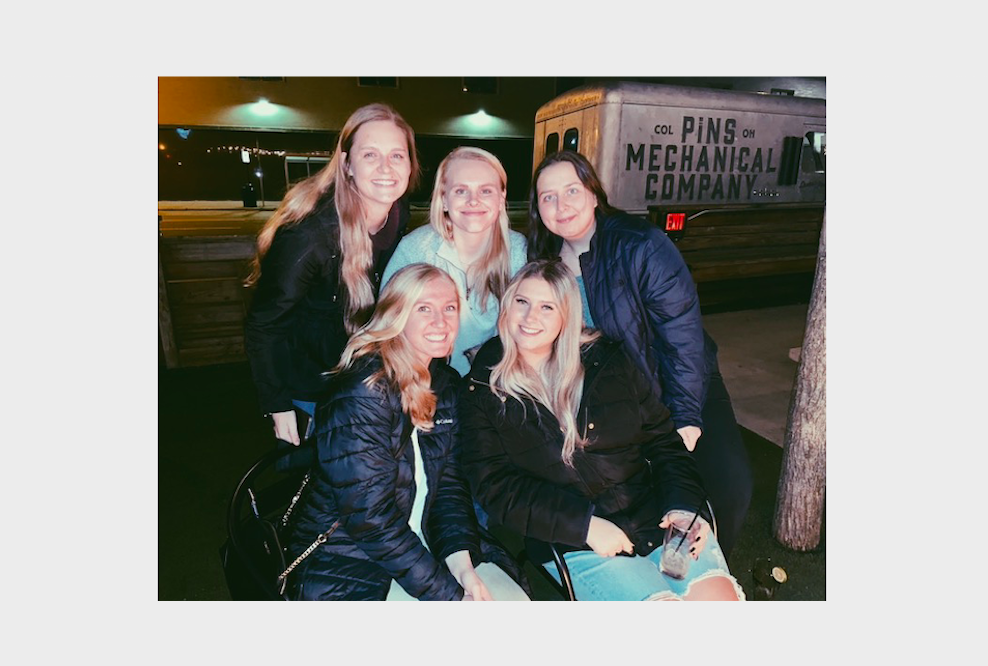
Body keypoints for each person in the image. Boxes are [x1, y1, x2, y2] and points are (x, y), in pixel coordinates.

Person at [459, 260, 744, 601]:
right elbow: (497, 487)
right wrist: (584, 526)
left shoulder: (608, 362)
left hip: (656, 518)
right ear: (507, 307)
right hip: (574, 539)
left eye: (547, 306)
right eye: (522, 302)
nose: (530, 316)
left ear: (567, 314)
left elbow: (664, 441)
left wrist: (683, 505)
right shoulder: (481, 388)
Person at [526, 150, 753, 558]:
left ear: (594, 194)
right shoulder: (545, 267)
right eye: (548, 197)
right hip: (619, 400)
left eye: (572, 190)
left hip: (680, 382)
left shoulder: (640, 244)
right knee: (639, 499)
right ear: (537, 207)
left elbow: (681, 334)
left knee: (727, 485)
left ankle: (710, 571)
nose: (562, 205)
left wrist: (684, 416)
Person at [285, 263, 530, 601]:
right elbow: (369, 518)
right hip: (348, 558)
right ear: (395, 315)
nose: (441, 322)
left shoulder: (445, 385)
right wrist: (450, 596)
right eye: (424, 309)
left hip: (420, 540)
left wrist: (462, 567)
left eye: (450, 308)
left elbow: (447, 486)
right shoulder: (363, 389)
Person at [244, 103, 417, 447]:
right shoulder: (310, 236)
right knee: (318, 487)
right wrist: (277, 406)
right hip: (307, 385)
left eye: (397, 155)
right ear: (346, 164)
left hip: (361, 377)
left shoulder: (399, 214)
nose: (386, 167)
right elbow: (263, 324)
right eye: (370, 155)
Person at [381, 146, 527, 376]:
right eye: (461, 191)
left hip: (494, 384)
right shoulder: (415, 250)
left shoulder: (519, 252)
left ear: (501, 198)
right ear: (444, 199)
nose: (473, 201)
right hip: (423, 382)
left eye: (486, 191)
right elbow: (387, 330)